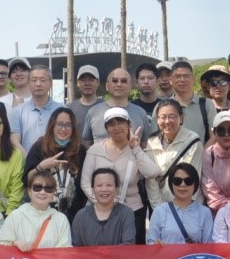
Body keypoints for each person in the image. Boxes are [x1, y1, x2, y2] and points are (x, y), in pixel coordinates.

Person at [81, 107, 160, 243]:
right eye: (111, 124)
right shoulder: (95, 150)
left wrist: (136, 148)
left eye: (121, 122)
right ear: (106, 128)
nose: (116, 127)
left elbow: (152, 172)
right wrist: (103, 202)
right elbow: (85, 182)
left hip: (132, 209)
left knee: (130, 251)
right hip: (101, 212)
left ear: (129, 125)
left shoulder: (135, 149)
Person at [23, 107, 85, 219]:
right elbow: (27, 179)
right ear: (52, 125)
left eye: (68, 125)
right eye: (59, 124)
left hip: (72, 214)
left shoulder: (79, 150)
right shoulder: (40, 146)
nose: (63, 129)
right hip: (41, 213)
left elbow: (83, 185)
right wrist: (41, 166)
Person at [144, 99, 203, 209]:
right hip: (159, 207)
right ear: (157, 120)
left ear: (181, 118)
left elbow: (191, 180)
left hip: (187, 207)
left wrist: (179, 210)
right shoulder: (152, 143)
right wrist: (160, 209)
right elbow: (151, 181)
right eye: (163, 117)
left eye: (172, 117)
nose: (167, 121)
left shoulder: (192, 141)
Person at [0, 171, 72, 250]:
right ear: (29, 191)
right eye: (37, 187)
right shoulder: (16, 216)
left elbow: (65, 251)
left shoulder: (61, 219)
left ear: (53, 193)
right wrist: (14, 243)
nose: (42, 192)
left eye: (48, 188)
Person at [146, 163, 213, 244]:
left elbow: (208, 246)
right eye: (177, 181)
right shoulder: (159, 211)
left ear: (195, 184)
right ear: (171, 184)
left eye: (188, 181)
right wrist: (154, 244)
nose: (182, 184)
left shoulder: (205, 213)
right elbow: (151, 241)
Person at [81, 67, 149, 145]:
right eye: (115, 81)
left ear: (130, 86)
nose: (119, 84)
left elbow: (145, 142)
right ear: (107, 86)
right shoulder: (93, 112)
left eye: (124, 81)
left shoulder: (141, 113)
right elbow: (86, 141)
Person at [71, 167, 136, 246]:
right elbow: (76, 247)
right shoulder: (81, 216)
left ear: (116, 189)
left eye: (109, 185)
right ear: (93, 189)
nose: (104, 189)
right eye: (99, 185)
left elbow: (128, 244)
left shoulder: (126, 213)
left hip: (118, 255)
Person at [9, 66, 62, 152]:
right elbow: (15, 142)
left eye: (43, 80)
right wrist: (30, 159)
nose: (38, 84)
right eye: (34, 80)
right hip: (26, 159)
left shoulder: (62, 110)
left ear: (51, 84)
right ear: (28, 83)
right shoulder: (17, 112)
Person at [170, 60, 215, 142]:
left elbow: (214, 136)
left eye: (186, 76)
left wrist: (201, 150)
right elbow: (155, 138)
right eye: (178, 76)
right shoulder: (162, 106)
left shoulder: (207, 104)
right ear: (171, 80)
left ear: (193, 79)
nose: (182, 80)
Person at [70, 65, 103, 137]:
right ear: (78, 83)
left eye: (91, 80)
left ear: (98, 82)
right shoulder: (70, 109)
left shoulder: (106, 107)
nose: (87, 83)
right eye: (83, 80)